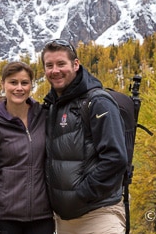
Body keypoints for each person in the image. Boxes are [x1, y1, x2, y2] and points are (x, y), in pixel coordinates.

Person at [41, 39, 128, 234]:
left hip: (99, 217)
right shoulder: (53, 106)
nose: (55, 70)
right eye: (49, 65)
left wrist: (81, 193)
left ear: (76, 64)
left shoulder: (97, 102)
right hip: (64, 223)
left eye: (61, 63)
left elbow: (115, 158)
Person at [0, 61, 55, 234]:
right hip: (5, 220)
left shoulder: (44, 117)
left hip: (43, 220)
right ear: (3, 84)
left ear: (31, 86)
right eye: (13, 82)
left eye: (24, 83)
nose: (19, 88)